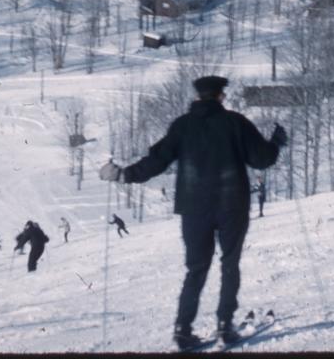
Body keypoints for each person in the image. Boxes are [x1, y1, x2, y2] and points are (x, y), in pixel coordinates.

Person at [99, 74, 286, 351]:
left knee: (195, 269)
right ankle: (225, 327)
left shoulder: (182, 126)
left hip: (194, 210)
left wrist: (124, 174)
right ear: (221, 96)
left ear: (198, 97)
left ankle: (183, 332)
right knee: (229, 264)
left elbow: (157, 161)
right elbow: (262, 158)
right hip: (231, 206)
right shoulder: (235, 122)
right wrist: (276, 142)